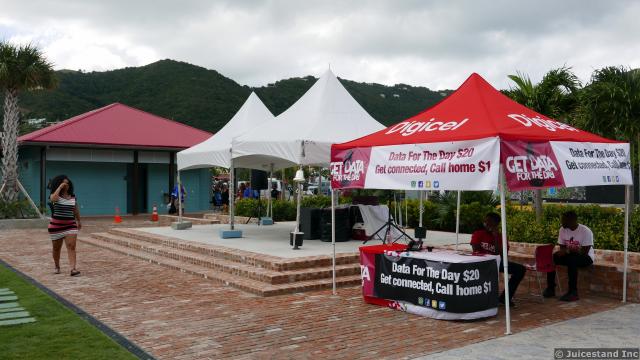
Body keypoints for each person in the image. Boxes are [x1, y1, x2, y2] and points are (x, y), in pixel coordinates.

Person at [471, 212, 526, 307]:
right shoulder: (478, 233)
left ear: (496, 224)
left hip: (497, 262)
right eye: (485, 221)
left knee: (520, 269)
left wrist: (495, 237)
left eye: (489, 222)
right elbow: (475, 249)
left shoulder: (501, 237)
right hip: (481, 263)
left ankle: (505, 298)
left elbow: (501, 255)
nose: (486, 223)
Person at [543, 211, 594, 301]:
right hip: (571, 255)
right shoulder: (562, 230)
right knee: (553, 257)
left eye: (564, 220)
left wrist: (568, 251)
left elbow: (584, 252)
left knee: (572, 260)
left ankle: (573, 292)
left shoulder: (585, 231)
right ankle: (551, 288)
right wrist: (564, 252)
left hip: (586, 258)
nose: (562, 222)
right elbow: (562, 248)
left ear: (572, 220)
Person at [48, 175, 81, 276]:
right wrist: (60, 187)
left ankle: (73, 269)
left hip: (70, 225)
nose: (66, 184)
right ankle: (57, 266)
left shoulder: (73, 197)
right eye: (64, 183)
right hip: (56, 226)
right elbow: (53, 199)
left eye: (67, 183)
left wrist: (78, 221)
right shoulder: (55, 195)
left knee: (71, 246)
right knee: (56, 249)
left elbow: (75, 209)